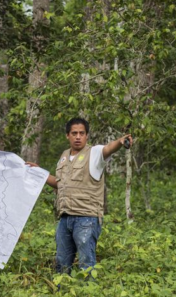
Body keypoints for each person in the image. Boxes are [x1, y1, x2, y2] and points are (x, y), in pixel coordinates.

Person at [29, 117, 132, 274]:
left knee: (86, 263)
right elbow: (59, 184)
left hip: (86, 218)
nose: (78, 137)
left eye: (82, 133)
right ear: (67, 135)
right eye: (74, 133)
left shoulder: (95, 153)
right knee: (62, 264)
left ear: (87, 136)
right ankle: (62, 291)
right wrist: (40, 173)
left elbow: (108, 148)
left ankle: (88, 291)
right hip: (64, 218)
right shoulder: (64, 157)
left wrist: (120, 141)